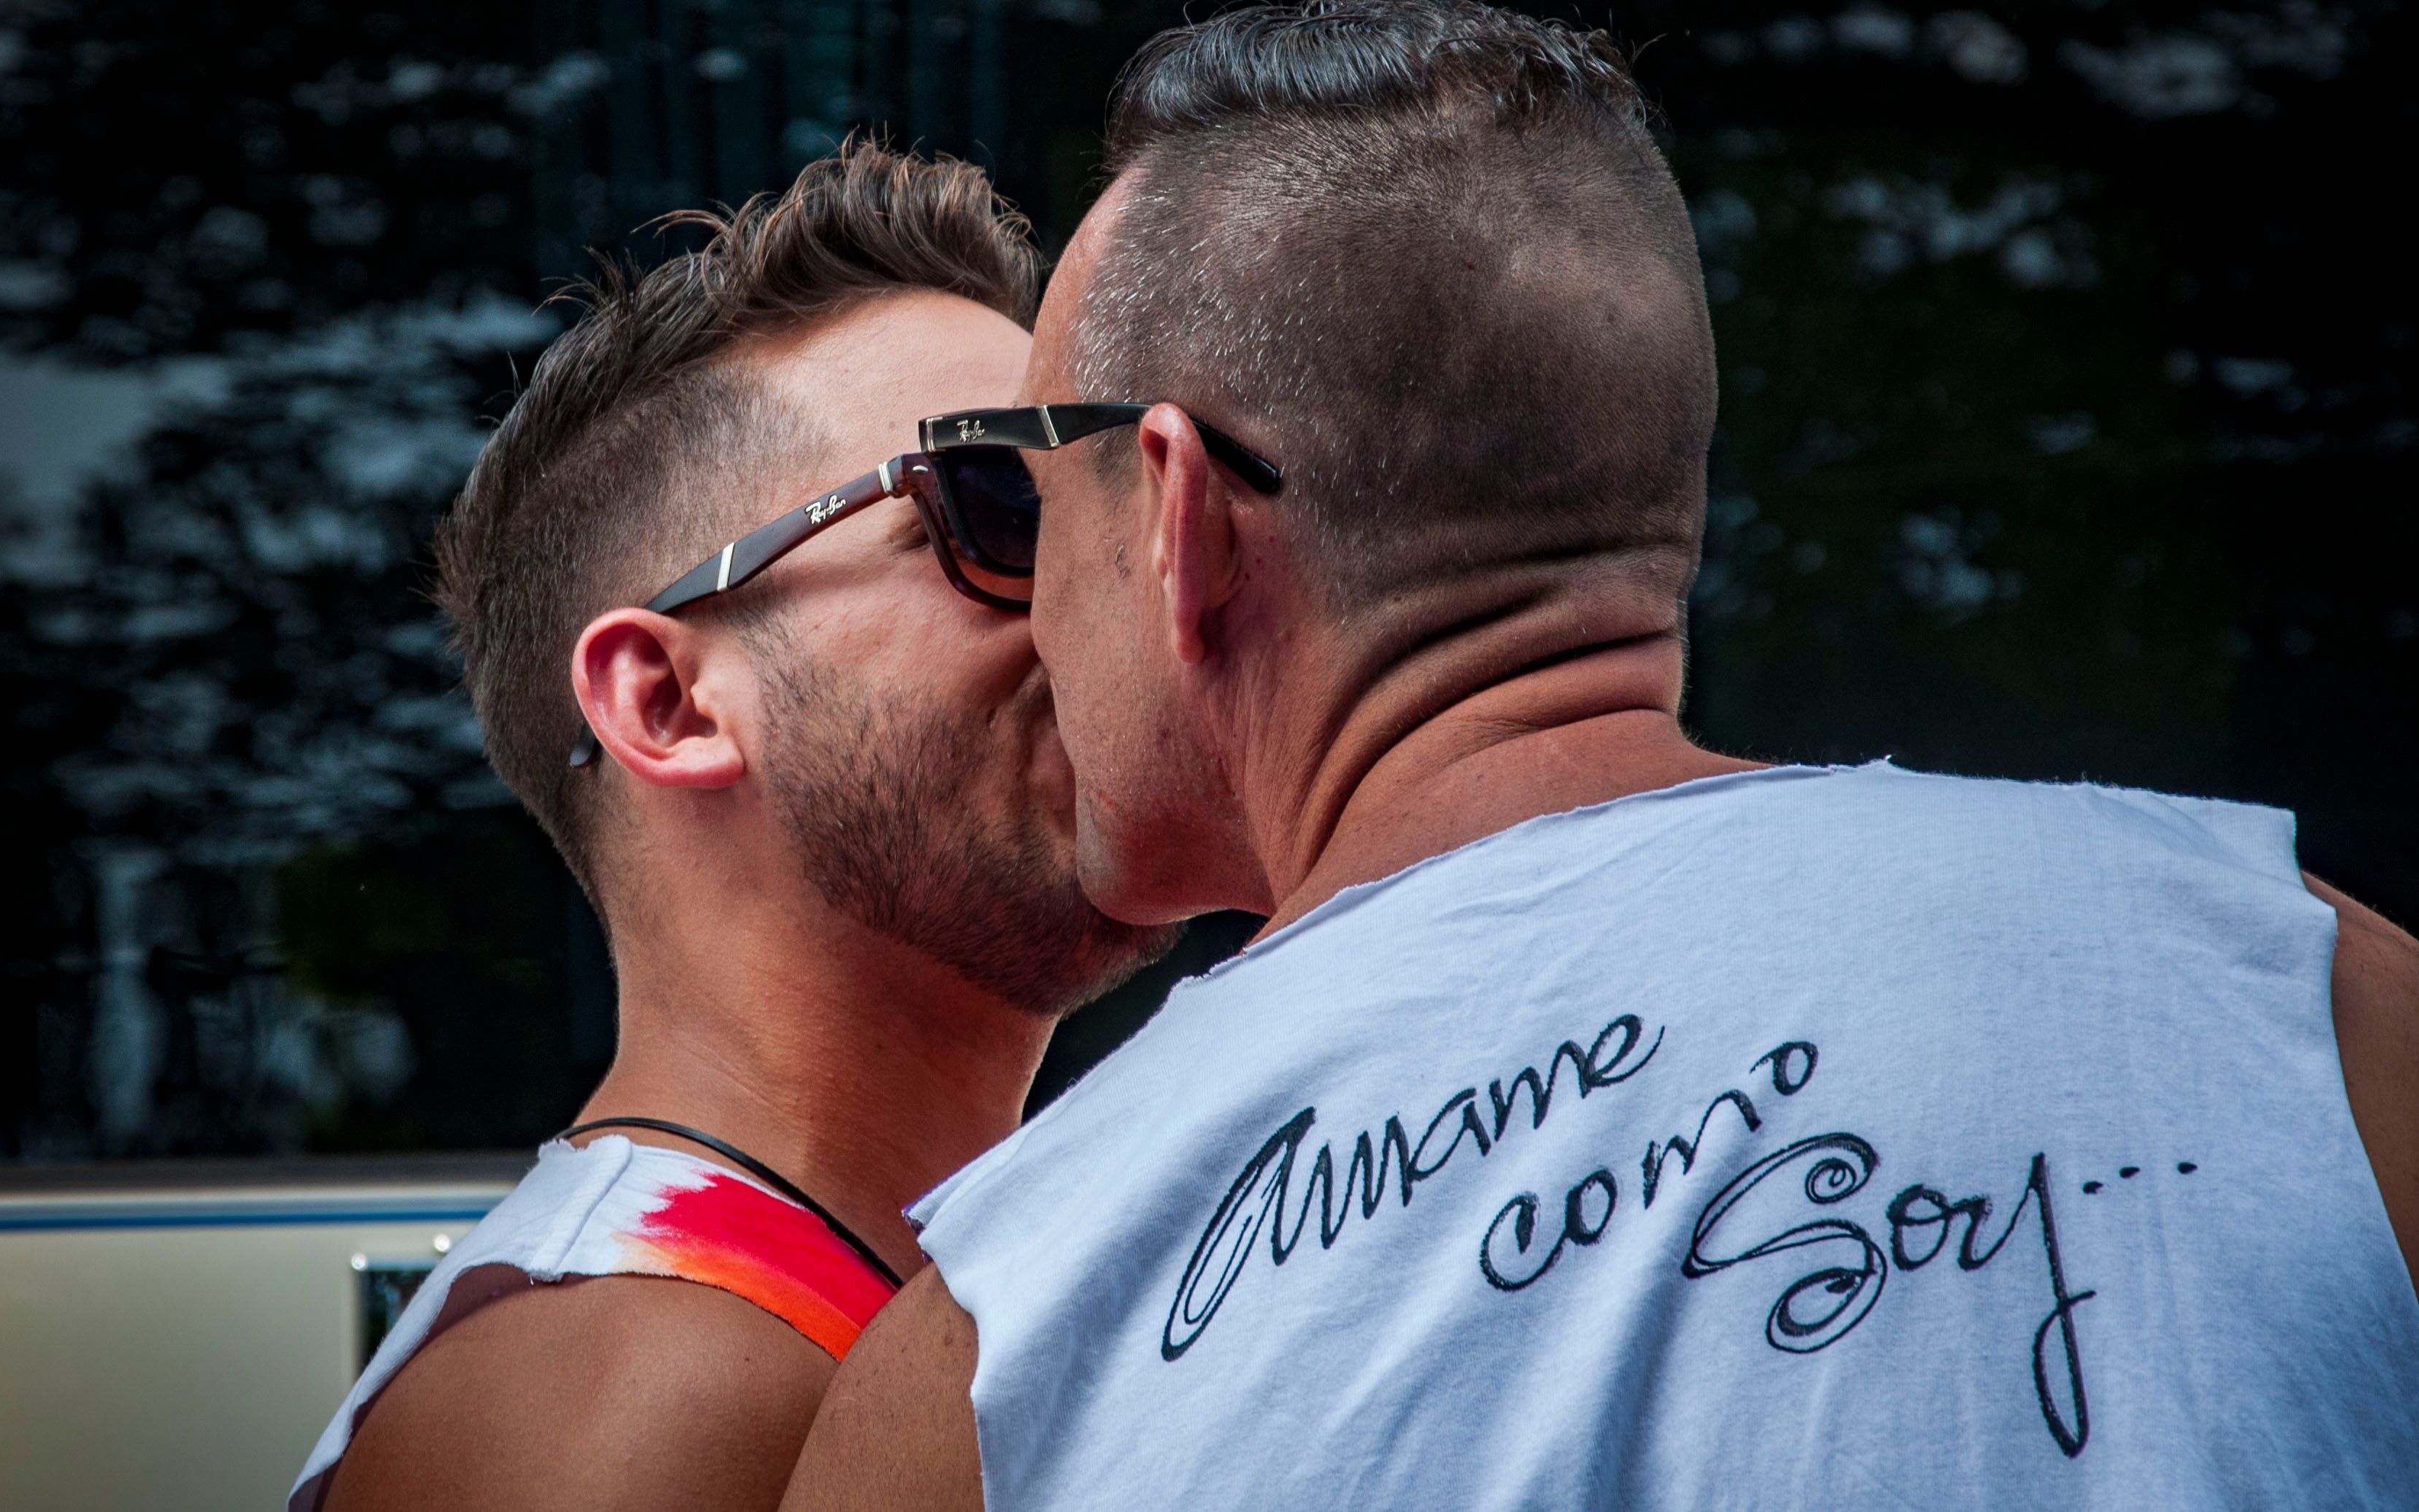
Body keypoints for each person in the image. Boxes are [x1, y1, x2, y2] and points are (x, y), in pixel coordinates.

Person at [777, 5, 2419, 1508]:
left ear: (1179, 517)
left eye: (1020, 497)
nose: (1026, 609)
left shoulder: (1009, 1347)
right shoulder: (2310, 1000)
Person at [289, 142, 1171, 1512]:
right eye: (1002, 508)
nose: (1109, 594)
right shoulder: (646, 1399)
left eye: (1111, 506)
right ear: (668, 700)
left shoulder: (796, 1331)